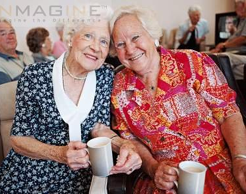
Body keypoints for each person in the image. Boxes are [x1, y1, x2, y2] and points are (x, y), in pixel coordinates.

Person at [0, 5, 141, 193]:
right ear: (70, 38)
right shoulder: (34, 75)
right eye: (88, 36)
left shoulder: (105, 75)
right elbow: (18, 138)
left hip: (78, 179)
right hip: (29, 174)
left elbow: (99, 128)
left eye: (103, 41)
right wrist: (59, 153)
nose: (95, 47)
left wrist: (124, 145)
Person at [94, 5, 246, 193]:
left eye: (135, 37)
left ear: (151, 34)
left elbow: (228, 112)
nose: (131, 49)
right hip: (166, 178)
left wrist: (240, 159)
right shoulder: (119, 89)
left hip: (221, 165)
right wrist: (152, 168)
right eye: (120, 44)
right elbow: (131, 139)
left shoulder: (192, 62)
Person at [0, 17, 34, 88]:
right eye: (3, 34)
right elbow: (4, 98)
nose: (10, 37)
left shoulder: (25, 55)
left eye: (12, 32)